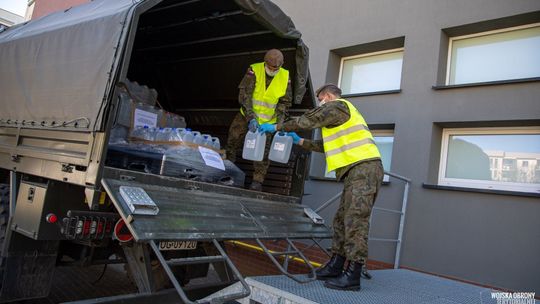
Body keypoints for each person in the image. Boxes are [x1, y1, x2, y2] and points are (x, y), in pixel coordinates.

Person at [259, 84, 383, 291]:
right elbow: (327, 146)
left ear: (325, 96)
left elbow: (310, 119)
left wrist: (278, 127)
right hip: (356, 170)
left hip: (365, 168)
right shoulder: (339, 118)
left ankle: (353, 275)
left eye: (320, 99)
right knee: (342, 219)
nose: (320, 103)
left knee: (355, 219)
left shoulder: (338, 106)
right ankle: (336, 265)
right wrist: (300, 142)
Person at [226, 49, 292, 191]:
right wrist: (250, 118)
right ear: (265, 62)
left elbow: (285, 102)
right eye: (270, 66)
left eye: (276, 68)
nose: (273, 69)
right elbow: (245, 95)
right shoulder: (254, 70)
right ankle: (228, 173)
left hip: (268, 122)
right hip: (246, 116)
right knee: (233, 140)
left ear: (282, 65)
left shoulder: (285, 76)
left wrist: (279, 124)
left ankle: (257, 182)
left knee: (263, 153)